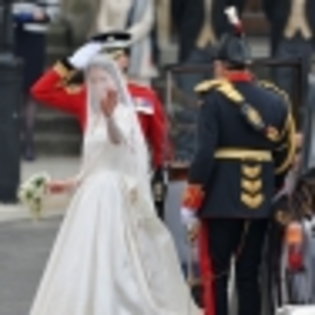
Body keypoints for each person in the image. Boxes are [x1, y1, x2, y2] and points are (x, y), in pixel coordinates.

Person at [28, 54, 200, 315]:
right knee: (82, 256)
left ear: (118, 76)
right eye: (93, 80)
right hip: (90, 194)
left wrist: (110, 119)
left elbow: (120, 141)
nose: (98, 85)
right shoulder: (91, 112)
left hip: (115, 193)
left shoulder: (126, 111)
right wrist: (67, 183)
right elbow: (94, 163)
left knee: (117, 257)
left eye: (103, 78)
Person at [180, 7, 296, 315]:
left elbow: (204, 154)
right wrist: (273, 184)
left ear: (220, 66)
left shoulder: (214, 98)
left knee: (216, 275)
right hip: (259, 205)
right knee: (249, 275)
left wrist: (192, 198)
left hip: (219, 198)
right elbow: (284, 153)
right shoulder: (275, 99)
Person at [30, 32, 169, 219]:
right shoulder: (86, 97)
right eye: (101, 57)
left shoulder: (145, 96)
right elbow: (41, 91)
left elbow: (159, 141)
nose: (107, 64)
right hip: (97, 182)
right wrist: (71, 64)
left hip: (133, 180)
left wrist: (160, 174)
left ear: (125, 60)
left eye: (114, 57)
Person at [12, 0, 59, 161]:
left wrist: (41, 15)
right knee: (11, 90)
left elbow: (53, 13)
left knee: (31, 91)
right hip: (11, 37)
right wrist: (21, 16)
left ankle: (28, 142)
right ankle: (11, 142)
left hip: (34, 39)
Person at [263, 0, 315, 123]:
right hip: (284, 41)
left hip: (309, 42)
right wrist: (279, 18)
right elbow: (268, 6)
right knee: (282, 90)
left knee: (308, 91)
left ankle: (305, 131)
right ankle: (284, 128)